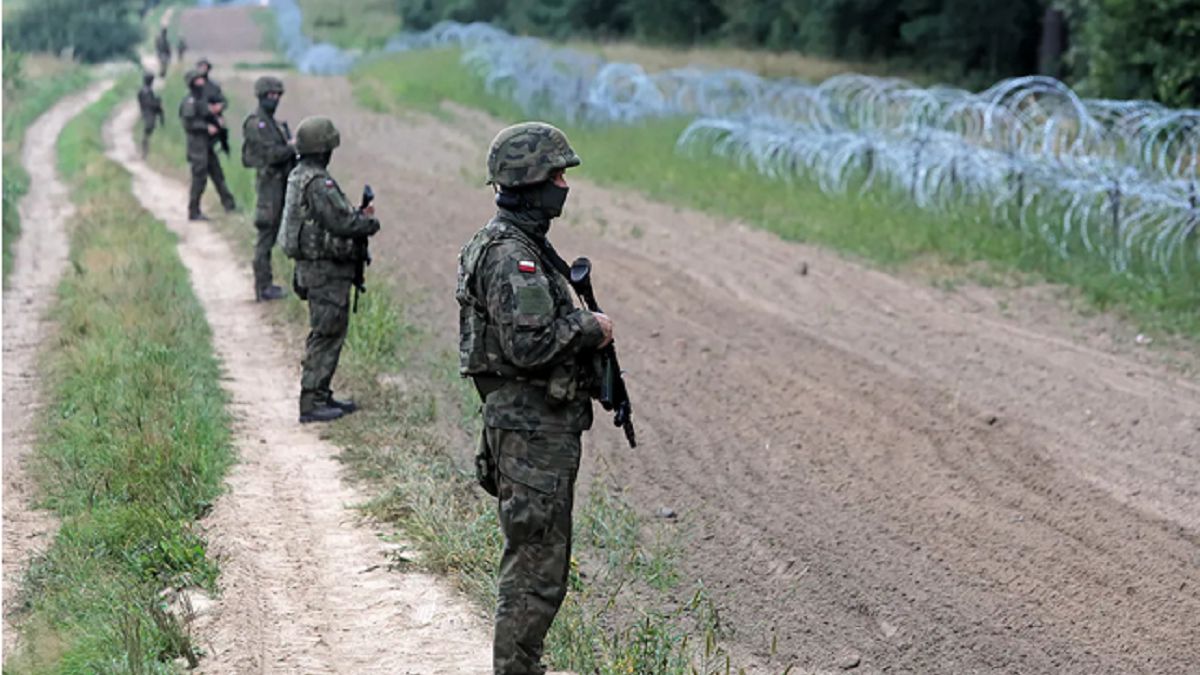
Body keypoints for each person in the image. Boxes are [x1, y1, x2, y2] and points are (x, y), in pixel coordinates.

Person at [455, 122, 613, 675]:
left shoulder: (517, 243)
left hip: (529, 428)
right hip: (530, 432)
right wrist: (590, 328)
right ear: (529, 181)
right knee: (534, 572)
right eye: (556, 174)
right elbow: (529, 344)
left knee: (538, 564)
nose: (564, 185)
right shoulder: (511, 255)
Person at [280, 116, 379, 424]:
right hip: (325, 271)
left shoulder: (300, 175)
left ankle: (320, 393)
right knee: (326, 332)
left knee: (328, 331)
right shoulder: (318, 182)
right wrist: (368, 221)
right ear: (324, 149)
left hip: (313, 268)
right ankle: (312, 401)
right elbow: (342, 222)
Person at [241, 76, 295, 301]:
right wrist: (291, 148)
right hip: (269, 186)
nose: (274, 100)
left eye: (277, 96)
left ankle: (268, 284)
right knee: (266, 234)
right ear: (261, 96)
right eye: (270, 96)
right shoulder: (256, 123)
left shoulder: (277, 125)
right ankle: (262, 286)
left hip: (282, 184)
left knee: (277, 234)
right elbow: (270, 155)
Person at [179, 70, 236, 220]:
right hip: (197, 146)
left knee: (218, 174)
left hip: (207, 145)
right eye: (198, 80)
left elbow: (209, 113)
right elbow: (188, 123)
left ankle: (229, 205)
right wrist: (206, 127)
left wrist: (217, 119)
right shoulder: (189, 101)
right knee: (199, 178)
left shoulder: (201, 100)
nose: (202, 83)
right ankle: (194, 210)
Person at [136, 72, 164, 159]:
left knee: (148, 132)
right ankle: (145, 151)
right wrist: (157, 102)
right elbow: (150, 104)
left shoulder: (143, 91)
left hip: (146, 112)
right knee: (147, 132)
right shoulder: (147, 91)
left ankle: (145, 151)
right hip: (149, 113)